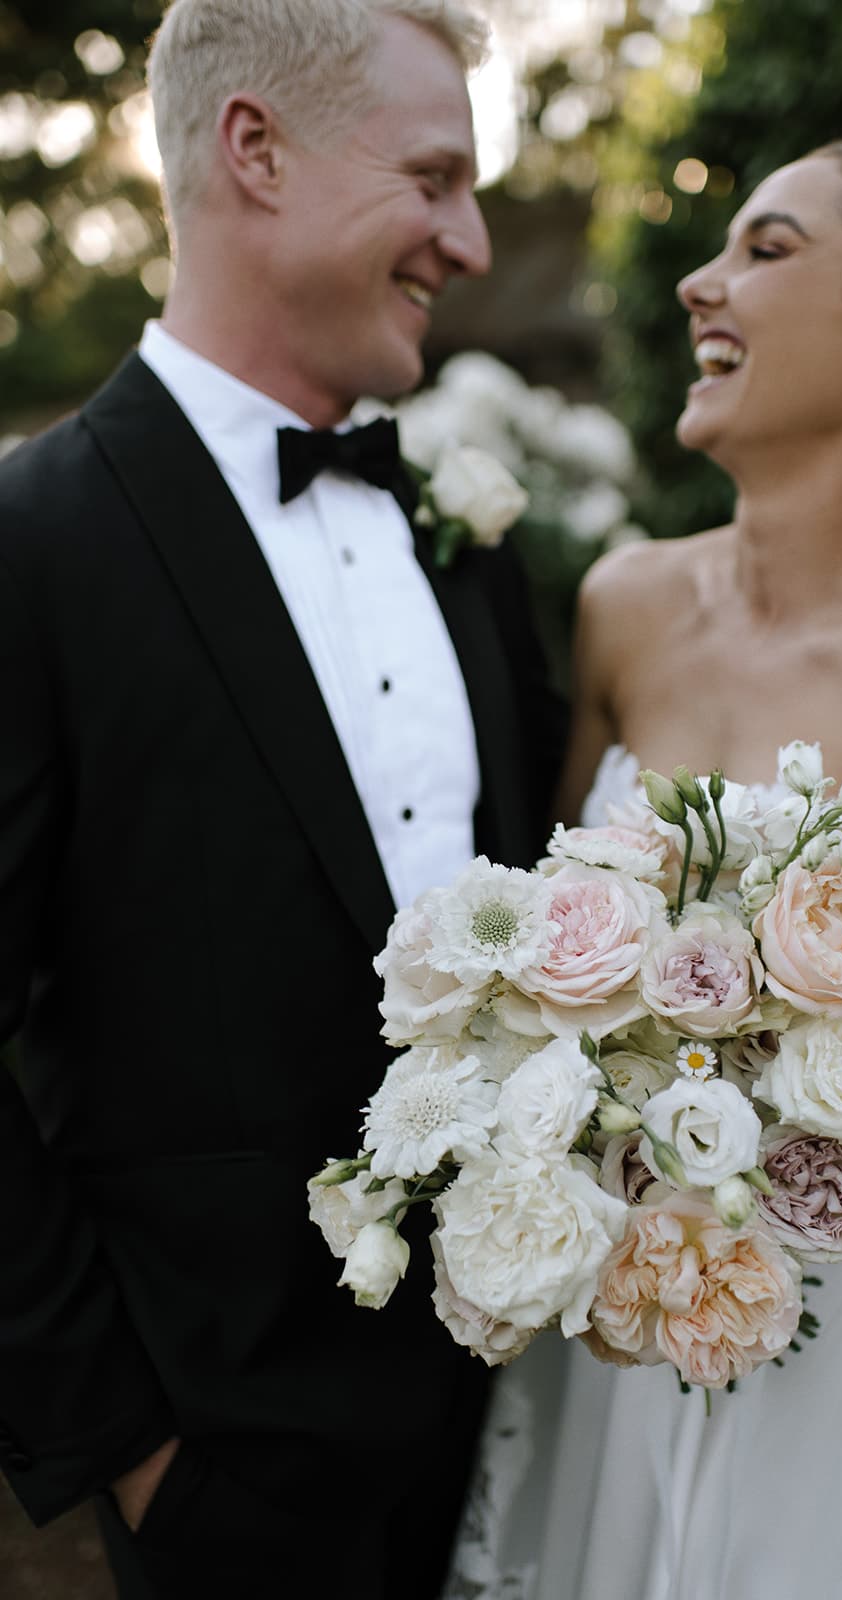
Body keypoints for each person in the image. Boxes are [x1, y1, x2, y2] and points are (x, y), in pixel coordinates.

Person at [444, 139, 842, 1598]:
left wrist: (797, 1148)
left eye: (766, 250)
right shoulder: (624, 608)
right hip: (607, 1317)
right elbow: (541, 950)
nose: (697, 281)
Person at [0, 2, 564, 1596]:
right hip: (220, 1463)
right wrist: (124, 1438)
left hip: (514, 1431)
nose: (465, 240)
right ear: (255, 150)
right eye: (436, 178)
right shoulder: (33, 547)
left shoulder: (468, 537)